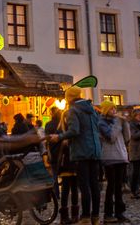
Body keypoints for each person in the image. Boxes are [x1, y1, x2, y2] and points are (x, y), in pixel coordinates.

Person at [48, 86, 102, 225]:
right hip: (95, 151)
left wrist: (59, 137)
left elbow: (74, 131)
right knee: (94, 185)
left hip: (81, 152)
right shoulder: (92, 110)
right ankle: (95, 217)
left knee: (84, 186)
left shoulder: (73, 110)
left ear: (69, 98)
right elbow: (97, 128)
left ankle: (84, 218)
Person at [98, 100, 130, 223]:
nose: (114, 111)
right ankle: (108, 213)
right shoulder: (101, 123)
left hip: (121, 156)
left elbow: (127, 138)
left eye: (115, 109)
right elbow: (111, 137)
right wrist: (118, 123)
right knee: (111, 186)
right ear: (106, 110)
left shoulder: (118, 122)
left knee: (119, 187)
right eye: (111, 109)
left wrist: (125, 124)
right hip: (109, 158)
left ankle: (119, 212)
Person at [47, 108, 79, 224]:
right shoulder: (60, 130)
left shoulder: (73, 129)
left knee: (75, 188)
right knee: (65, 189)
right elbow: (54, 145)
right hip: (65, 162)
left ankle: (75, 214)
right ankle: (64, 216)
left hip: (74, 161)